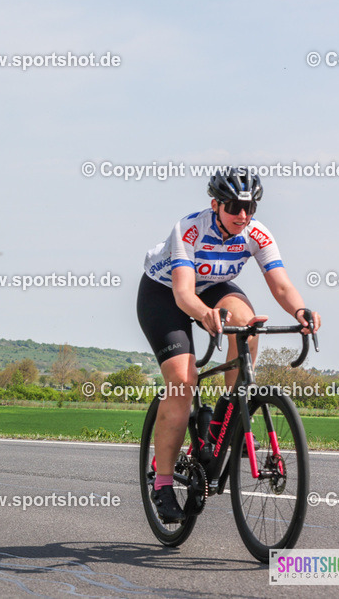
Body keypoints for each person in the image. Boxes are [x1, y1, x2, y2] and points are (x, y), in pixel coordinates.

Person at [137, 168, 320, 524]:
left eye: (250, 208)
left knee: (248, 324)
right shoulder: (189, 229)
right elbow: (183, 293)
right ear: (216, 204)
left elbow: (281, 286)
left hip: (215, 285)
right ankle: (161, 483)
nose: (243, 216)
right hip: (165, 293)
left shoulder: (256, 232)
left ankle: (226, 416)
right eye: (235, 207)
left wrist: (300, 310)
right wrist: (205, 314)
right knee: (182, 381)